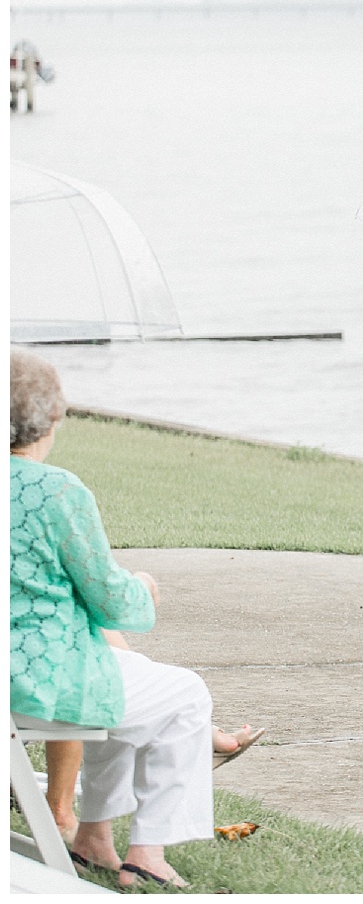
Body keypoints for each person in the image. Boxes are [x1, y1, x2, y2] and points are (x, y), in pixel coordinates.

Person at [10, 350, 213, 888]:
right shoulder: (56, 491)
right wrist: (143, 588)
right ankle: (147, 851)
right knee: (185, 694)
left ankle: (93, 837)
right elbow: (111, 601)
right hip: (35, 684)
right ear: (52, 419)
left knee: (126, 688)